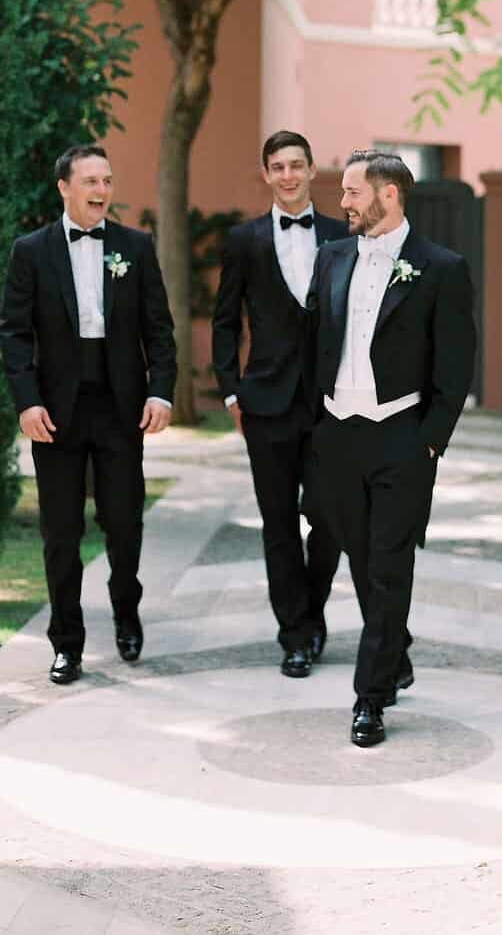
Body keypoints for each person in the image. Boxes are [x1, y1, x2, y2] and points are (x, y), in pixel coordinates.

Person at [307, 150, 475, 747]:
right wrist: (314, 432)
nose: (343, 202)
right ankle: (394, 652)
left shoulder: (441, 268)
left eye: (353, 192)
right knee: (361, 560)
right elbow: (314, 346)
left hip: (401, 439)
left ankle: (369, 699)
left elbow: (456, 367)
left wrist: (429, 444)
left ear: (389, 195)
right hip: (337, 436)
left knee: (388, 568)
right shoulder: (329, 259)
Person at [0, 144, 176, 685]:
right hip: (56, 414)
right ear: (65, 188)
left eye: (108, 179)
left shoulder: (135, 247)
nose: (102, 190)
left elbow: (159, 330)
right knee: (60, 532)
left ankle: (126, 611)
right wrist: (27, 401)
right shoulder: (30, 252)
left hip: (121, 410)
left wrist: (161, 393)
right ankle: (66, 643)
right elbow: (13, 333)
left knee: (124, 524)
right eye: (91, 180)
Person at [211, 130, 345, 678]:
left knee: (330, 517)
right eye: (277, 167)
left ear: (313, 170)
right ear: (265, 174)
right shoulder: (243, 241)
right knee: (278, 524)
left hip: (330, 402)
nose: (287, 175)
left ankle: (311, 613)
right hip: (265, 401)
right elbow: (225, 320)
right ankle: (294, 635)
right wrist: (230, 388)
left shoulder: (342, 237)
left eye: (297, 165)